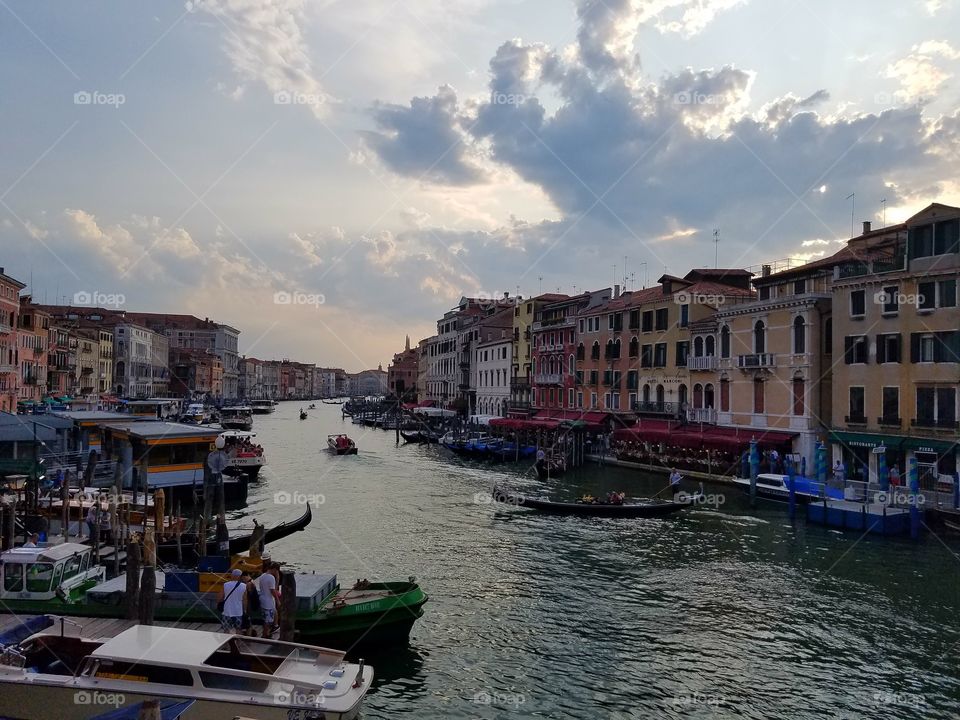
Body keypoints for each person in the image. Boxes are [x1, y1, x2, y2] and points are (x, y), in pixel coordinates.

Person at [219, 569, 247, 634]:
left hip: (227, 611)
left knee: (226, 630)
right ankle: (238, 642)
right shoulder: (244, 586)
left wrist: (219, 603)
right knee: (238, 629)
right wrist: (245, 609)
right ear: (240, 576)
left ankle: (227, 643)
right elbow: (245, 599)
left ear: (232, 575)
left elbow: (220, 597)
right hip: (238, 611)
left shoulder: (225, 585)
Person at [257, 563, 281, 638]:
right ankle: (265, 634)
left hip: (263, 598)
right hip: (268, 601)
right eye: (276, 571)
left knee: (266, 618)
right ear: (274, 569)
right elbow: (273, 590)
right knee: (268, 620)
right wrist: (277, 600)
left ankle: (267, 631)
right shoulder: (271, 578)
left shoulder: (262, 576)